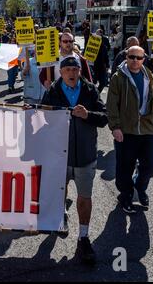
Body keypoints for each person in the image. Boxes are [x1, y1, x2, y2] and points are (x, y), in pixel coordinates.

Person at [41, 56, 108, 265]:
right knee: (61, 190)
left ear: (80, 71)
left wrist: (88, 114)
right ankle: (61, 215)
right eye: (67, 69)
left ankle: (84, 237)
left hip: (85, 156)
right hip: (60, 156)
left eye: (74, 69)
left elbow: (104, 117)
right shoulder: (52, 92)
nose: (71, 73)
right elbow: (41, 118)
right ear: (61, 72)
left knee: (85, 197)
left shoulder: (90, 90)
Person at [106, 46, 153, 214]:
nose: (135, 60)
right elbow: (111, 105)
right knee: (124, 168)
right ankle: (125, 195)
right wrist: (115, 127)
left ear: (143, 59)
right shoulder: (118, 78)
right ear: (127, 56)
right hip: (126, 130)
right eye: (132, 57)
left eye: (139, 58)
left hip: (147, 129)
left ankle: (140, 186)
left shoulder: (150, 77)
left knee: (151, 164)